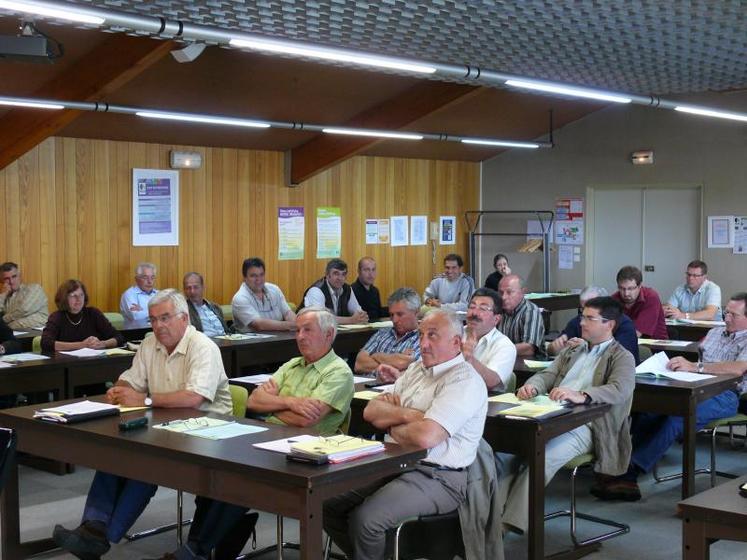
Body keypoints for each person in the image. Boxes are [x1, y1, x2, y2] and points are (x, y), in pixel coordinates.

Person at [148, 306, 354, 560]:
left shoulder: (339, 372)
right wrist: (292, 403)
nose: (299, 336)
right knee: (216, 470)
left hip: (306, 454)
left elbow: (307, 421)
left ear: (329, 334)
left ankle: (196, 552)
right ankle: (200, 549)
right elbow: (255, 401)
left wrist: (279, 403)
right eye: (298, 330)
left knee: (241, 481)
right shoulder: (292, 365)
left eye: (307, 330)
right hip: (268, 440)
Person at [52, 290, 232, 559]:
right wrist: (120, 389)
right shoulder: (150, 344)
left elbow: (193, 398)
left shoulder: (203, 347)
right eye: (154, 319)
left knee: (143, 465)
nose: (158, 326)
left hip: (207, 436)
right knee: (115, 453)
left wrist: (144, 399)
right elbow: (130, 380)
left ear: (184, 318)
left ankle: (100, 537)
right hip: (164, 429)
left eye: (165, 318)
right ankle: (94, 527)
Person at [323, 309, 488, 560]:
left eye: (432, 336)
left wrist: (392, 419)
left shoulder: (464, 381)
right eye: (421, 335)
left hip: (438, 475)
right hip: (393, 461)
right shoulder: (416, 370)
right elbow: (370, 411)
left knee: (366, 520)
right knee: (324, 503)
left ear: (456, 342)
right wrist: (412, 415)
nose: (423, 343)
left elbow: (426, 437)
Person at [496, 297, 636, 532]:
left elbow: (620, 390)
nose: (582, 323)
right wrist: (533, 386)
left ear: (609, 325)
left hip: (589, 425)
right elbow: (548, 374)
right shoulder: (574, 349)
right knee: (511, 455)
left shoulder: (622, 356)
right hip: (551, 416)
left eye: (590, 318)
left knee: (542, 458)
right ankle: (490, 518)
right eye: (583, 316)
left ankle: (507, 526)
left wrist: (582, 394)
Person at [596, 293, 747, 501]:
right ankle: (620, 462)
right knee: (650, 410)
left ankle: (630, 472)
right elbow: (695, 356)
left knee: (678, 418)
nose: (727, 317)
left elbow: (738, 369)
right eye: (726, 312)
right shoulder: (715, 332)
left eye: (734, 315)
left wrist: (696, 366)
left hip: (725, 394)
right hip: (692, 384)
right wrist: (680, 363)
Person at [549, 286, 640, 363]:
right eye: (583, 308)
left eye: (592, 307)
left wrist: (584, 349)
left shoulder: (624, 324)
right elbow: (555, 349)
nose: (583, 322)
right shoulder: (578, 321)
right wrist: (555, 348)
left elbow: (617, 359)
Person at [354, 287, 421, 381]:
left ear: (416, 312)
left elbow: (412, 371)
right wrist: (395, 362)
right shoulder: (382, 333)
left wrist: (377, 356)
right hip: (366, 388)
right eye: (391, 315)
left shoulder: (423, 338)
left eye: (400, 314)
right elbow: (359, 364)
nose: (395, 320)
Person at [41, 279, 124, 353]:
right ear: (64, 298)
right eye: (74, 295)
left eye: (81, 295)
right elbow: (46, 343)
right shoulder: (57, 317)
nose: (79, 299)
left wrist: (103, 344)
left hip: (93, 362)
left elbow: (118, 337)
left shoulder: (93, 313)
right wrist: (82, 345)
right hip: (66, 364)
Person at [462, 288, 517, 391]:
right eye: (472, 307)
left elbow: (493, 382)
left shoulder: (504, 345)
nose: (474, 313)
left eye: (483, 309)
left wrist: (469, 358)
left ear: (496, 319)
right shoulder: (454, 334)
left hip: (486, 401)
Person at [231, 257, 296, 332]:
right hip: (252, 342)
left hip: (280, 338)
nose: (258, 279)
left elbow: (287, 313)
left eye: (261, 275)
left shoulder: (274, 289)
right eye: (253, 276)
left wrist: (299, 324)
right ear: (244, 278)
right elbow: (259, 325)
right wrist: (290, 325)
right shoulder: (240, 298)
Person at [302, 258, 368, 324]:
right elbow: (320, 319)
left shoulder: (347, 289)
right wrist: (350, 320)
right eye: (336, 273)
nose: (340, 278)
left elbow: (359, 312)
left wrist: (361, 317)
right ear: (327, 275)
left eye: (343, 274)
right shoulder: (316, 291)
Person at [612, 265, 668, 339]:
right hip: (624, 342)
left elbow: (636, 333)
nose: (626, 293)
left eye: (630, 289)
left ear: (639, 286)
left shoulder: (651, 297)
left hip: (655, 346)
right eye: (622, 288)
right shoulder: (614, 299)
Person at [497, 274, 545, 358]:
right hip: (503, 361)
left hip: (528, 365)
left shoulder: (530, 311)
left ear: (523, 292)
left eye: (509, 292)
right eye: (501, 293)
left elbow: (529, 348)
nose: (503, 297)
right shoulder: (497, 310)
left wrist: (499, 351)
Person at [0, 261, 48, 330]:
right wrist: (3, 295)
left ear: (19, 276)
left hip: (36, 332)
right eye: (6, 279)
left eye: (14, 276)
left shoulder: (34, 288)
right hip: (14, 334)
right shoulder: (5, 297)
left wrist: (3, 321)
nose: (11, 281)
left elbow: (24, 310)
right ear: (2, 281)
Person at [183, 272, 228, 337]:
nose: (192, 291)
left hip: (225, 342)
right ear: (184, 290)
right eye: (188, 288)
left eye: (195, 287)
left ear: (203, 287)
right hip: (204, 344)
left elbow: (226, 331)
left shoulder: (215, 307)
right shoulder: (184, 310)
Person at [351, 257, 384, 321]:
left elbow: (379, 314)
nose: (370, 274)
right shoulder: (351, 291)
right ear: (359, 271)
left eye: (373, 269)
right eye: (366, 270)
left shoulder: (375, 291)